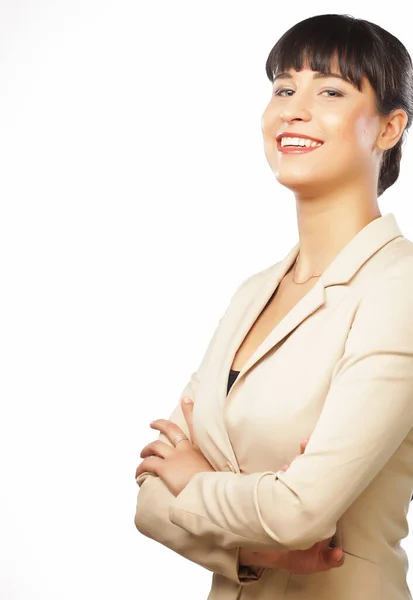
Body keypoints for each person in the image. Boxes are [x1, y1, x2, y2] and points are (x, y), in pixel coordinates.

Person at [134, 13, 413, 599]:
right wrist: (251, 549)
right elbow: (149, 497)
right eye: (284, 88)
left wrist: (193, 479)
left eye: (330, 91)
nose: (293, 108)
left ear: (389, 128)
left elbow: (301, 513)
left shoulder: (399, 287)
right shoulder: (253, 292)